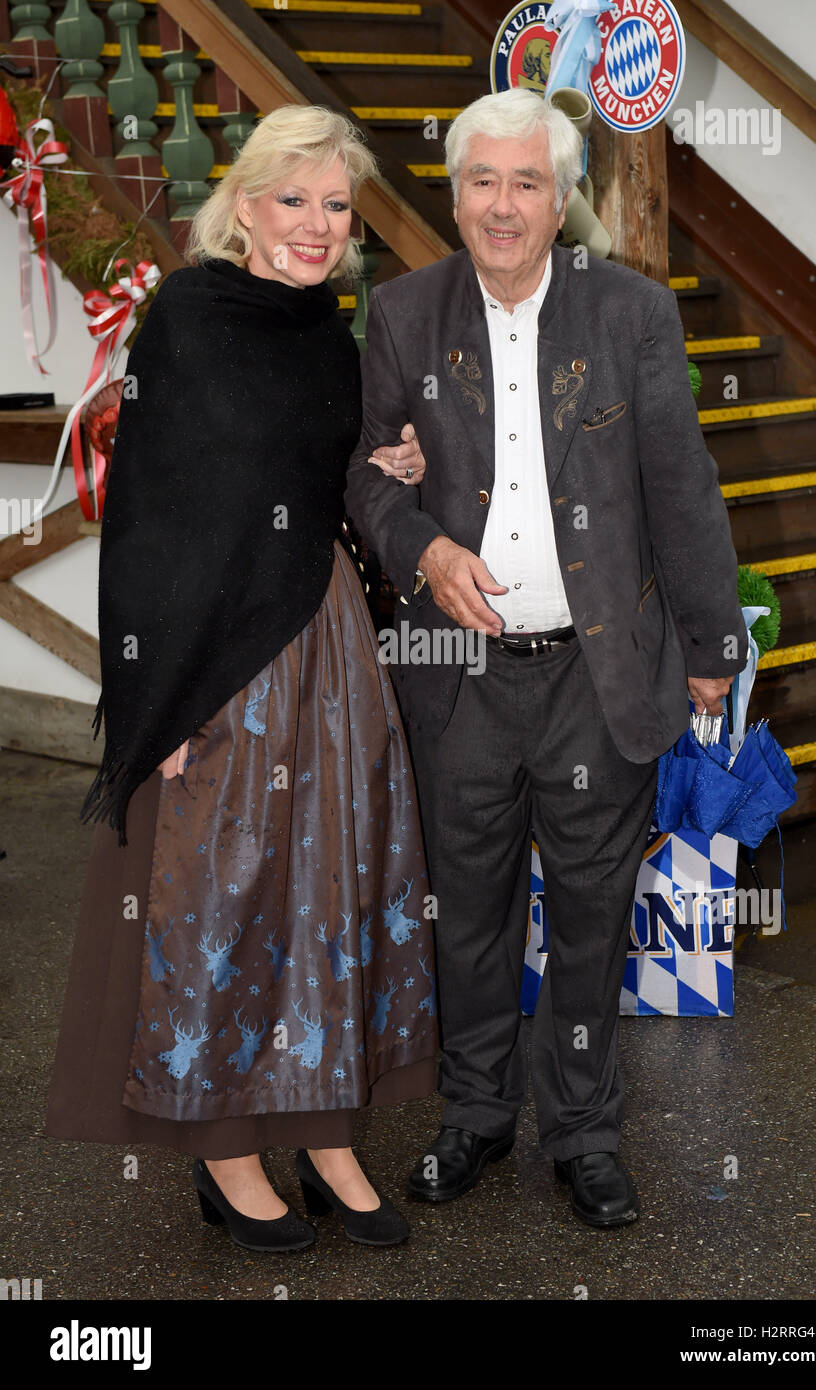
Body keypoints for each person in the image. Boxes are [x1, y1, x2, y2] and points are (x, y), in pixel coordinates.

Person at [345, 88, 748, 1228]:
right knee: (465, 916)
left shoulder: (628, 313)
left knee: (588, 916)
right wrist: (421, 546)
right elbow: (367, 476)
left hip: (594, 672)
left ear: (562, 197)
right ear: (454, 190)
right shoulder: (403, 314)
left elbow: (679, 483)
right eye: (484, 181)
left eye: (529, 182)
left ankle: (582, 1130)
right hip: (460, 677)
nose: (505, 206)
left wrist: (712, 644)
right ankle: (473, 1115)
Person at [45, 104, 438, 1253]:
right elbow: (150, 515)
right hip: (221, 653)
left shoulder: (326, 325)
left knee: (331, 892)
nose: (315, 228)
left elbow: (323, 473)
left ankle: (323, 1133)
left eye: (335, 208)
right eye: (293, 201)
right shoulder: (191, 316)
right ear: (245, 203)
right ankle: (223, 1148)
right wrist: (157, 694)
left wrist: (387, 457)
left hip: (325, 639)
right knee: (227, 896)